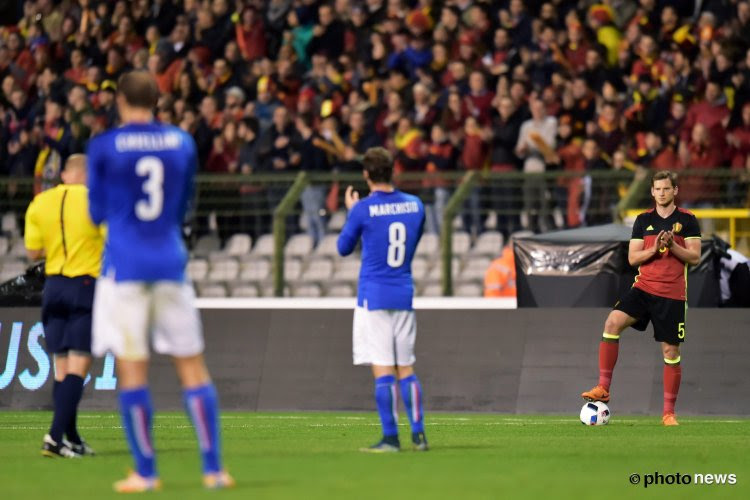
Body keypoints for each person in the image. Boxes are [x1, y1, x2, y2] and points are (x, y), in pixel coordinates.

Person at [86, 71, 233, 492]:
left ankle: (145, 473)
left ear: (119, 101)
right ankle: (214, 469)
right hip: (170, 262)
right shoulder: (181, 142)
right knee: (192, 367)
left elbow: (96, 213)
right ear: (157, 100)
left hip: (125, 269)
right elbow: (183, 202)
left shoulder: (105, 147)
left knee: (133, 371)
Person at [581, 171, 701, 426]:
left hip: (672, 294)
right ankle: (603, 387)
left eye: (666, 189)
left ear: (675, 191)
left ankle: (668, 413)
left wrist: (673, 246)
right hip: (643, 288)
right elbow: (633, 258)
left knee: (671, 351)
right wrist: (655, 248)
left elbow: (695, 257)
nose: (662, 193)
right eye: (657, 189)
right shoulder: (642, 220)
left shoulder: (688, 220)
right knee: (612, 323)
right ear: (652, 192)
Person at [337, 147, 428, 452]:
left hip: (373, 296)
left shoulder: (363, 208)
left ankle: (390, 437)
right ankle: (419, 435)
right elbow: (412, 242)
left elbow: (343, 247)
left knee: (383, 369)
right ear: (393, 171)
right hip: (403, 292)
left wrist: (353, 211)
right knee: (407, 367)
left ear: (366, 174)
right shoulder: (415, 205)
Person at [24, 154, 103, 458]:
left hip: (53, 287)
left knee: (61, 369)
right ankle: (55, 438)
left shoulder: (40, 202)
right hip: (84, 286)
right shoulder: (95, 200)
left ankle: (72, 438)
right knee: (79, 366)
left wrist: (58, 243)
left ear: (66, 174)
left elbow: (33, 251)